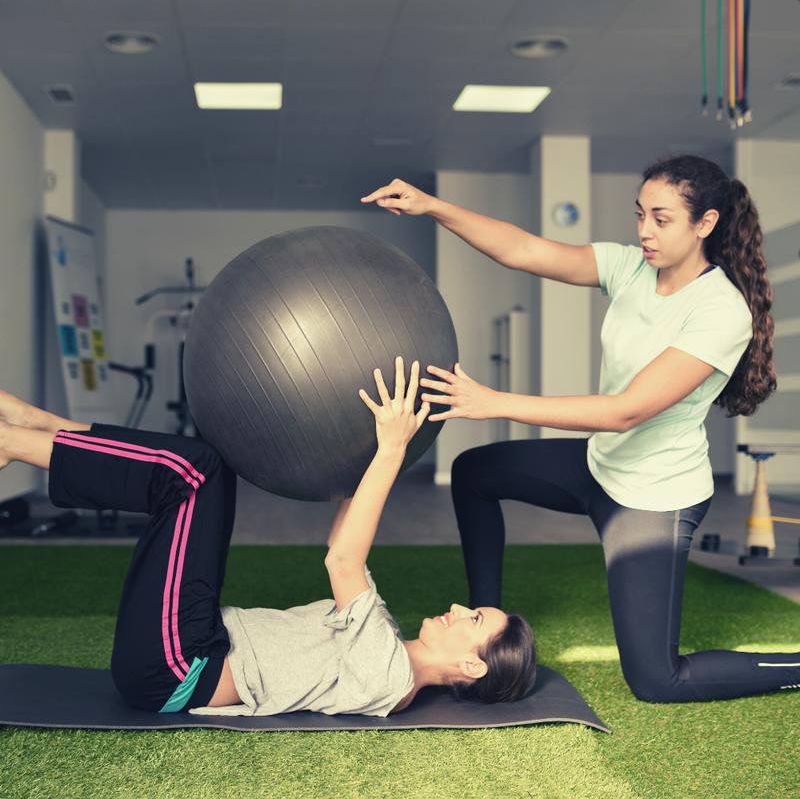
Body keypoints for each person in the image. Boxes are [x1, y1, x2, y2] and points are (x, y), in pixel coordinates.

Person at [361, 155, 800, 703]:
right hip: (599, 465)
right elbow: (522, 250)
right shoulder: (630, 267)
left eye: (661, 219)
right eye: (640, 214)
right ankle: (484, 628)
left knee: (657, 680)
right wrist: (431, 206)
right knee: (474, 473)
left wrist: (494, 402)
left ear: (704, 223)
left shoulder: (721, 311)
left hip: (653, 497)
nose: (644, 231)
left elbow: (626, 411)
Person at [0, 357, 536, 716]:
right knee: (206, 470)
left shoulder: (391, 678)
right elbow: (341, 539)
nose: (458, 607)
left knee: (194, 474)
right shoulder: (387, 642)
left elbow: (343, 562)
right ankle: (39, 427)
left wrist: (392, 451)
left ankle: (17, 441)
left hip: (176, 666)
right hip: (194, 641)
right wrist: (358, 453)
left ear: (472, 666)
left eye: (474, 620)